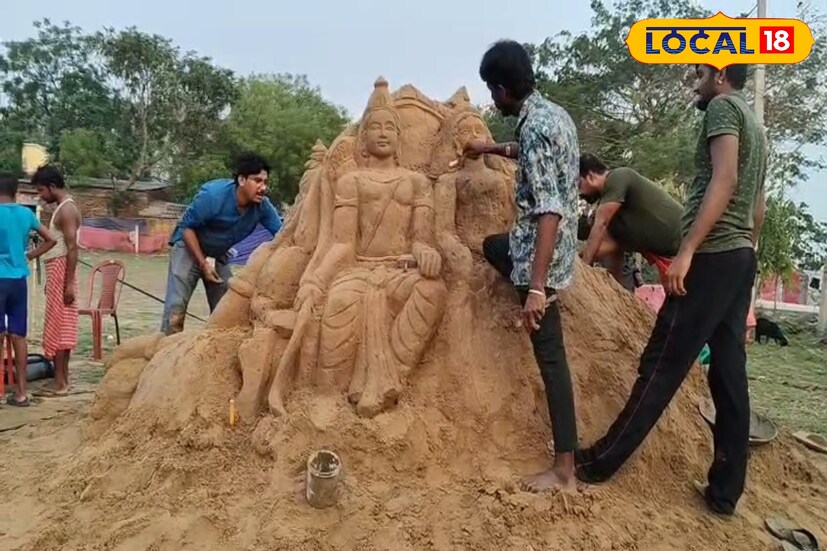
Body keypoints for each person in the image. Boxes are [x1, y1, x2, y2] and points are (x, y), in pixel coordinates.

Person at [575, 64, 766, 516]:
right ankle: (724, 494)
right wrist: (746, 255)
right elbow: (757, 204)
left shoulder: (722, 109)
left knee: (661, 362)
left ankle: (601, 462)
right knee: (728, 374)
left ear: (721, 75)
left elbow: (726, 181)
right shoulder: (757, 127)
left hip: (713, 255)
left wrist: (689, 250)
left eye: (701, 73)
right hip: (738, 256)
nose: (696, 82)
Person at [465, 40, 580, 493]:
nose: (493, 101)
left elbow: (548, 207)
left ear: (500, 88)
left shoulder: (536, 128)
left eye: (492, 92)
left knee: (551, 359)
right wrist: (489, 148)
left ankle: (564, 470)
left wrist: (535, 287)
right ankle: (521, 282)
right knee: (493, 245)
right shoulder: (554, 115)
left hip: (542, 257)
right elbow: (532, 155)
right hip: (546, 246)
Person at [161, 152, 283, 334]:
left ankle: (213, 354)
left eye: (265, 182)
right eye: (257, 181)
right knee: (176, 306)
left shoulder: (263, 207)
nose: (263, 187)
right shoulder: (212, 196)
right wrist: (203, 263)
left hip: (218, 253)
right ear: (242, 180)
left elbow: (284, 234)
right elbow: (187, 227)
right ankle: (165, 350)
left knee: (226, 309)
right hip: (188, 247)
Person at [578, 155, 684, 285]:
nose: (580, 193)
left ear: (590, 177)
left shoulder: (619, 176)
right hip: (670, 260)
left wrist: (583, 269)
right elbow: (609, 249)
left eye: (579, 185)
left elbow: (601, 224)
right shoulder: (617, 220)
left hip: (690, 243)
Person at [0, 173, 56, 406]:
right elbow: (50, 239)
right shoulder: (26, 214)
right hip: (18, 281)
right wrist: (30, 256)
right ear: (15, 192)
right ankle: (22, 392)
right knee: (18, 335)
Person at [33, 165, 81, 397]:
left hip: (62, 270)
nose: (40, 196)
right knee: (58, 324)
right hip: (58, 270)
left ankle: (60, 382)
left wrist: (69, 283)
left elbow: (72, 247)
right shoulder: (62, 209)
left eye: (41, 190)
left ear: (52, 187)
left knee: (61, 327)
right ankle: (62, 379)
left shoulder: (67, 210)